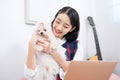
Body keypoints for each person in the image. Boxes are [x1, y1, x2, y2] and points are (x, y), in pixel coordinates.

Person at [24, 6, 84, 80]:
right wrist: (31, 45)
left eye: (65, 26)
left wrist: (54, 53)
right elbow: (29, 74)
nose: (59, 28)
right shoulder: (42, 35)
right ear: (54, 19)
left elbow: (75, 75)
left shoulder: (76, 47)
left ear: (72, 29)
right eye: (57, 21)